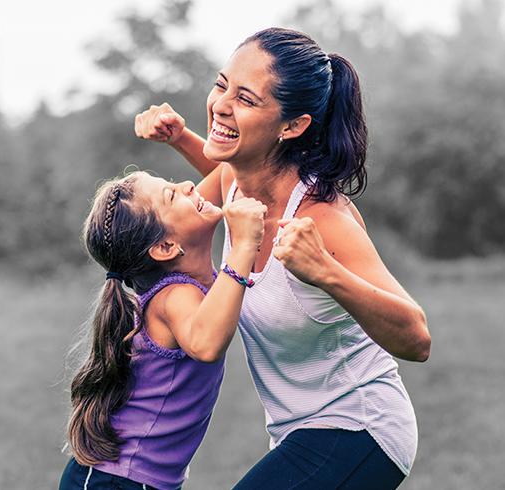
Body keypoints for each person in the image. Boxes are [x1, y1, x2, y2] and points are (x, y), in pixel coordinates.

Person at [134, 27, 431, 489]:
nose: (221, 104)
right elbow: (205, 198)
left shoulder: (322, 221)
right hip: (299, 432)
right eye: (220, 85)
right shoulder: (235, 184)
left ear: (292, 126)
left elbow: (417, 338)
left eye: (247, 99)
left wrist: (327, 273)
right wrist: (180, 138)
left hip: (360, 427)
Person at [59, 171, 267, 490]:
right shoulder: (174, 296)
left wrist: (181, 136)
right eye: (172, 194)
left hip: (131, 480)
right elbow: (206, 344)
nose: (188, 185)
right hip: (118, 482)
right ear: (166, 246)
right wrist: (244, 246)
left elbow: (228, 170)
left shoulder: (188, 284)